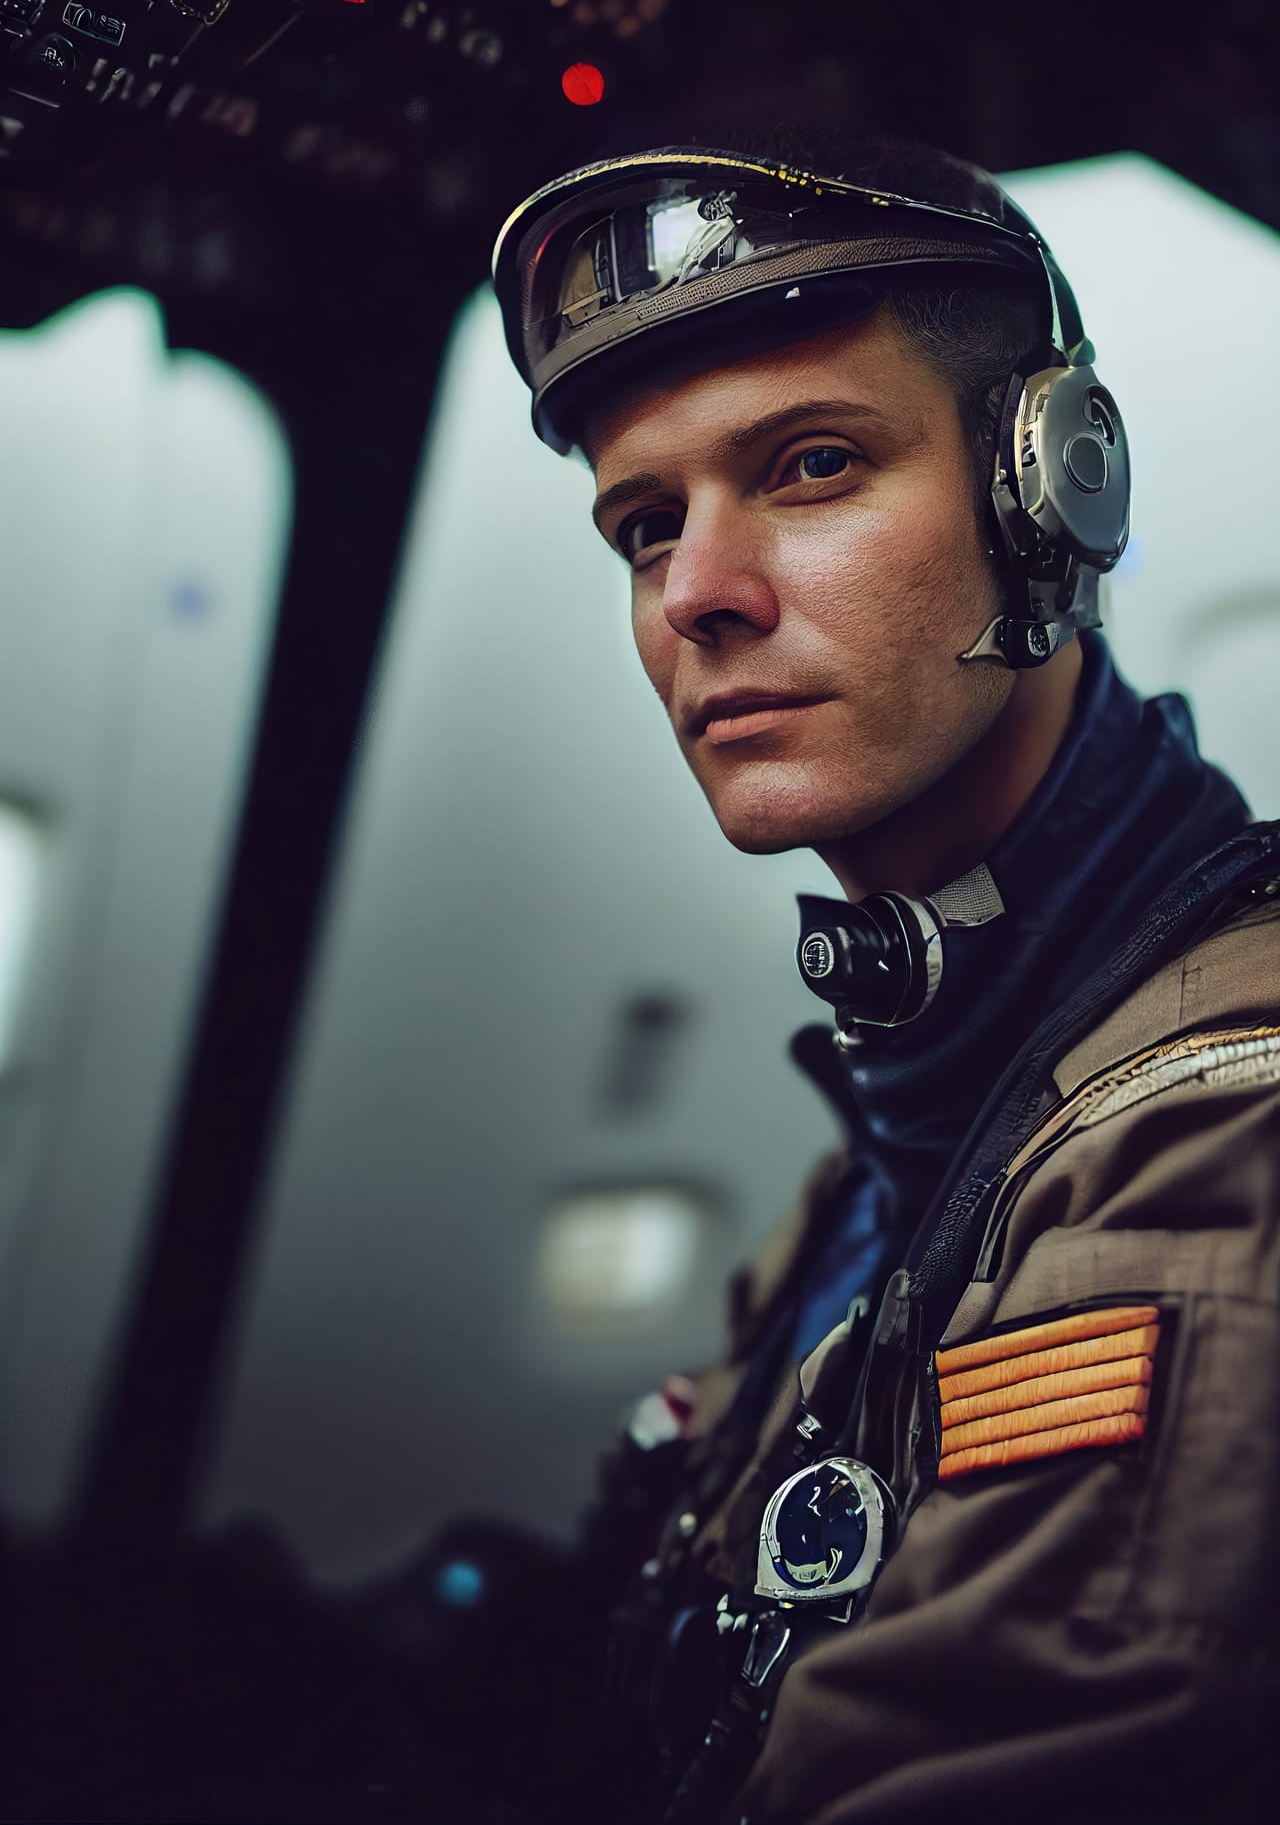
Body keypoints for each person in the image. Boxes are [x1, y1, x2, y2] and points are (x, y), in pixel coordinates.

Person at [485, 131, 1280, 1824]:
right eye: (644, 524)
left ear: (1052, 492)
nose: (699, 592)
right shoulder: (918, 1123)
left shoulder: (1217, 1144)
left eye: (814, 465)